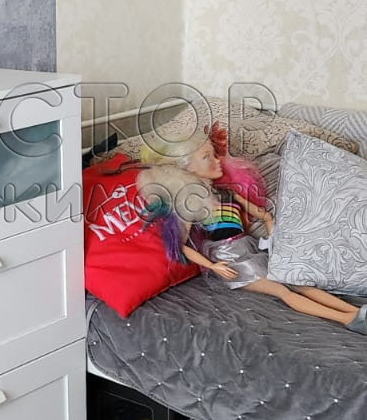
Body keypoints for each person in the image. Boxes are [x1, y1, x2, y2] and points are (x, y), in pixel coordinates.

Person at [138, 133, 367, 329]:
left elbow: (264, 215)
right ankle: (348, 320)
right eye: (207, 157)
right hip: (229, 259)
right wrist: (212, 266)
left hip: (250, 248)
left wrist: (273, 236)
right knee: (283, 291)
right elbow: (181, 245)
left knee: (299, 283)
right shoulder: (192, 204)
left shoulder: (226, 193)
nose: (217, 161)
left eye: (214, 155)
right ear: (186, 169)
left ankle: (356, 312)